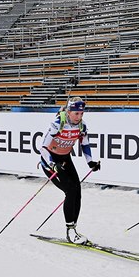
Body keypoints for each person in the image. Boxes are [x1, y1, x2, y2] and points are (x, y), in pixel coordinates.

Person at [38, 96, 101, 244]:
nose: (79, 117)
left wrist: (90, 162)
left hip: (66, 159)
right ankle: (70, 231)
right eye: (76, 113)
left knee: (77, 192)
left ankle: (73, 229)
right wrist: (53, 165)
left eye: (82, 114)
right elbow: (43, 148)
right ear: (69, 111)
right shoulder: (58, 123)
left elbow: (85, 144)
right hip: (50, 162)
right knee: (70, 191)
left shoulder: (82, 126)